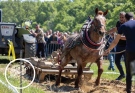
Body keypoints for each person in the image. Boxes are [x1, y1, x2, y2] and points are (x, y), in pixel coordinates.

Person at [105, 12, 135, 93]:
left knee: (129, 73)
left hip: (129, 51)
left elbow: (115, 41)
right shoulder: (121, 25)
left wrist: (108, 49)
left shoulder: (124, 26)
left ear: (125, 18)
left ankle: (129, 91)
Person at [107, 12, 126, 80]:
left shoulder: (127, 24)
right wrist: (107, 31)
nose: (121, 19)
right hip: (119, 45)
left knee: (127, 62)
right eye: (120, 17)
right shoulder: (118, 23)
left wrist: (117, 37)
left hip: (126, 46)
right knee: (117, 61)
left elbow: (126, 37)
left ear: (125, 17)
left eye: (122, 17)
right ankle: (122, 74)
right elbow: (115, 29)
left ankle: (128, 76)